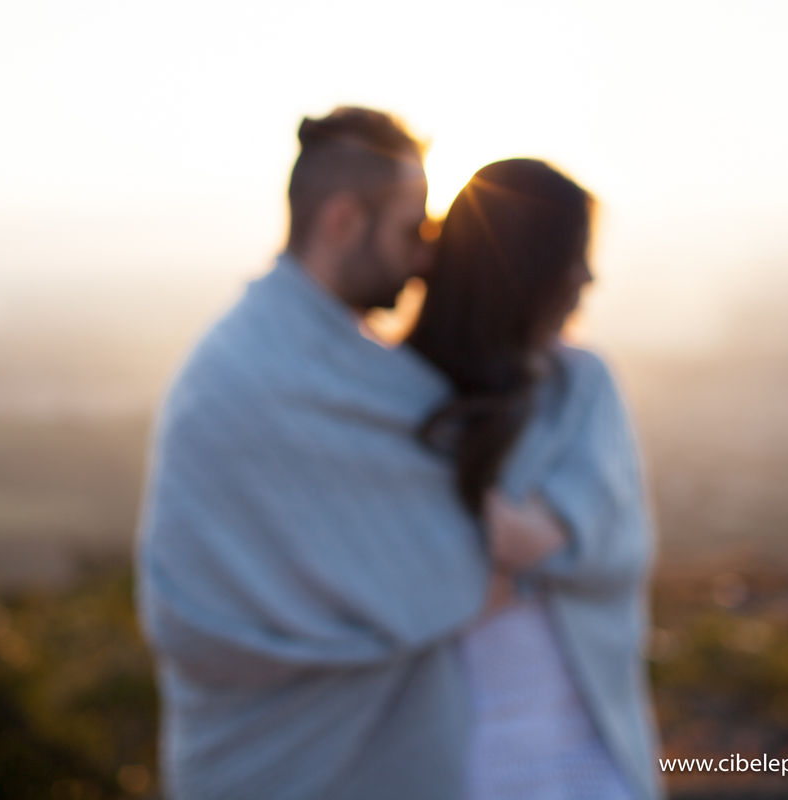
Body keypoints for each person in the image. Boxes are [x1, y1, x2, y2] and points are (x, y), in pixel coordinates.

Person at [137, 107, 661, 800]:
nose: (426, 259)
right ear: (344, 222)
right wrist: (493, 563)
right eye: (413, 230)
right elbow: (212, 609)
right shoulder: (249, 378)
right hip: (277, 754)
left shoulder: (370, 378)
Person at [407, 158, 660, 800]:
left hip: (588, 749)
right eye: (573, 254)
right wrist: (506, 553)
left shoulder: (583, 386)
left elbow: (560, 540)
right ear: (519, 266)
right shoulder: (393, 396)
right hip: (453, 765)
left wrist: (484, 552)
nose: (588, 276)